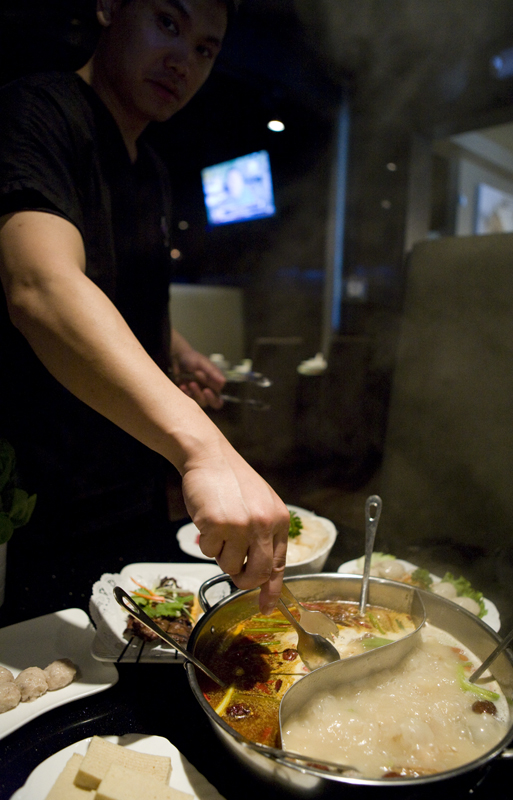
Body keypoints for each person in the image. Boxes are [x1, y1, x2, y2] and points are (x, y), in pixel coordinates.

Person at [0, 0, 289, 613]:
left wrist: (176, 353)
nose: (183, 60)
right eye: (168, 23)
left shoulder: (151, 170)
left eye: (206, 49)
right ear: (107, 7)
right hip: (42, 491)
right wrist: (207, 448)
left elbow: (122, 293)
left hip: (132, 479)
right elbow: (41, 283)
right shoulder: (38, 111)